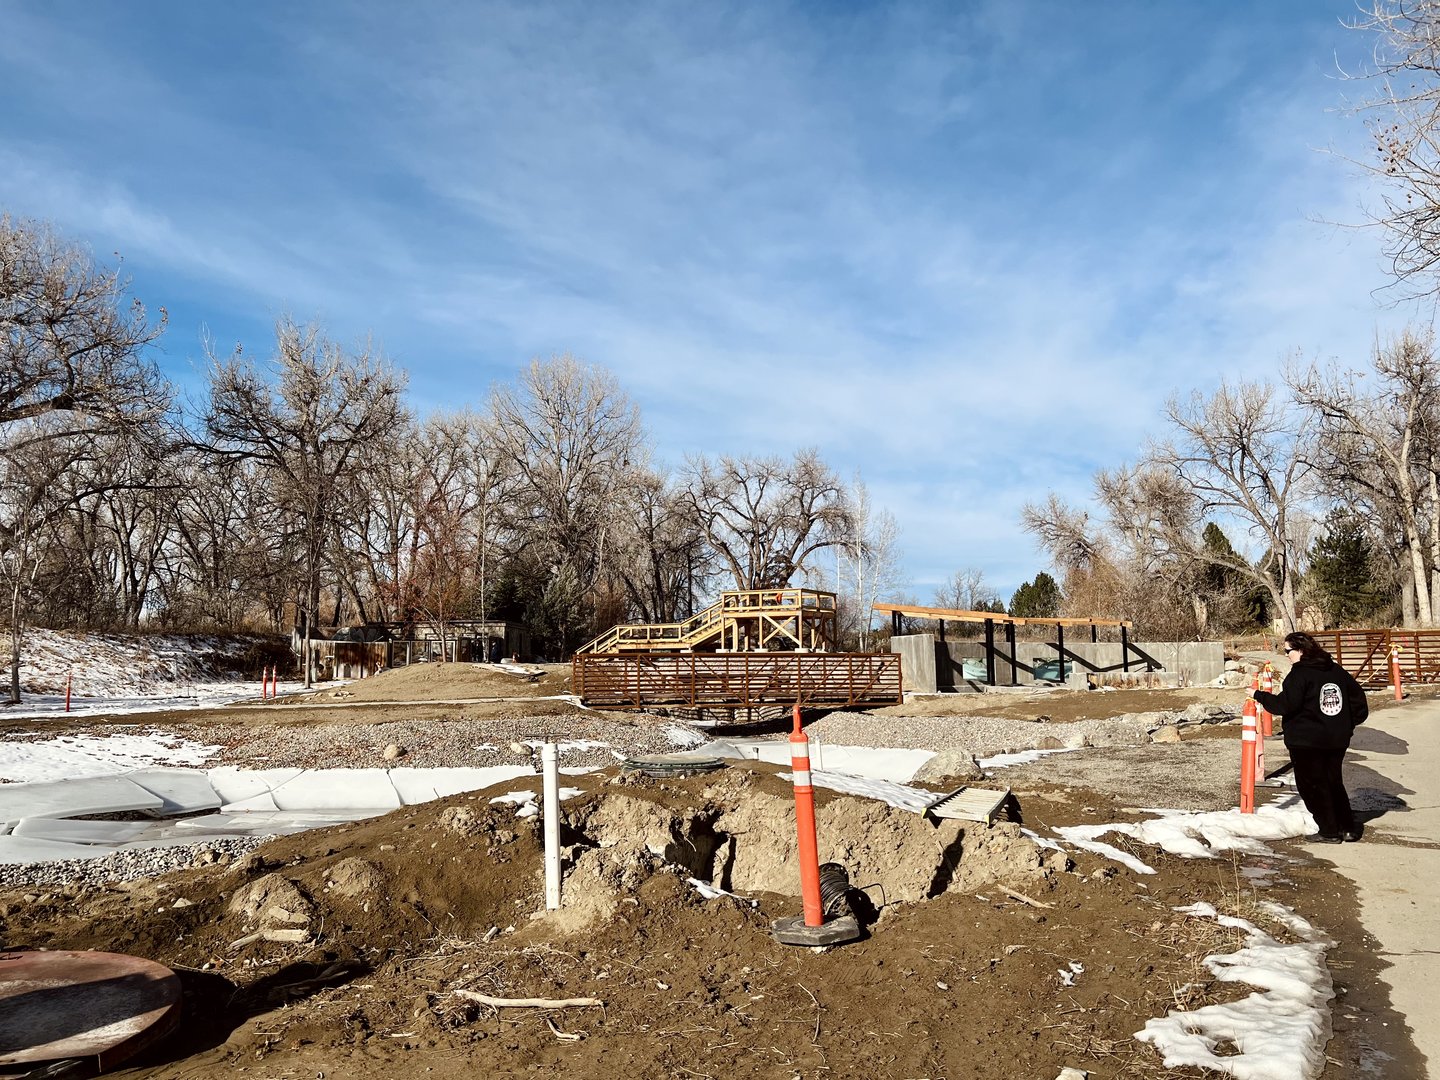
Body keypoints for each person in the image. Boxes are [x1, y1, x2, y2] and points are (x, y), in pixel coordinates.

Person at [1250, 631, 1369, 844]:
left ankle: (1329, 830)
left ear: (1301, 651)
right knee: (1333, 782)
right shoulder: (1336, 671)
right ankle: (1348, 828)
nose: (1286, 655)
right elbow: (1359, 703)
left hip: (1306, 741)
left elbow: (1285, 705)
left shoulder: (1299, 675)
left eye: (1288, 651)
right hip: (1335, 740)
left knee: (1312, 786)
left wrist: (1259, 695)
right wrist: (1345, 726)